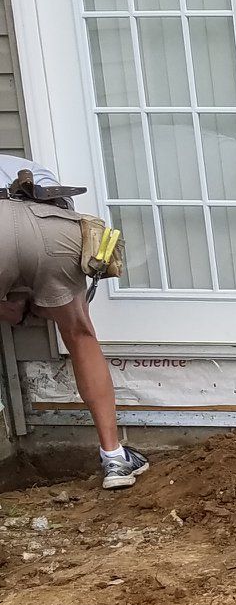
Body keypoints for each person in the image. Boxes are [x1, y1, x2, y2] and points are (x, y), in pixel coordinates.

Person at [0, 153, 148, 488]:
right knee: (80, 334)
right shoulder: (22, 163)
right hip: (50, 225)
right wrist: (44, 298)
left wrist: (8, 307)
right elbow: (56, 212)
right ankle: (114, 459)